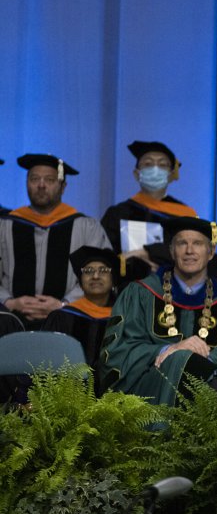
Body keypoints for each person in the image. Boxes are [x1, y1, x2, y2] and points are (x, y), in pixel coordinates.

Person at [100, 217, 217, 405]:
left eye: (197, 243)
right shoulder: (140, 295)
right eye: (182, 243)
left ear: (211, 252)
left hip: (210, 394)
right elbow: (117, 352)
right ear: (172, 251)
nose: (189, 250)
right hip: (148, 398)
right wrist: (168, 350)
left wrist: (200, 356)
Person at [0, 154, 111, 328]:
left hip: (70, 320)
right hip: (10, 321)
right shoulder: (5, 225)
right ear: (26, 183)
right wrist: (9, 302)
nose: (41, 185)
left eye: (50, 180)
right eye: (34, 179)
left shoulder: (86, 226)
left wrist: (64, 304)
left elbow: (103, 273)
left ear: (63, 186)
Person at [100, 141, 197, 285]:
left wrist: (146, 253)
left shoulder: (185, 215)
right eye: (148, 164)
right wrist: (126, 261)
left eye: (162, 165)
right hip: (126, 291)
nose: (155, 169)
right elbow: (102, 256)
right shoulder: (118, 213)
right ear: (136, 173)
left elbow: (193, 251)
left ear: (171, 174)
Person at [43, 246, 120, 389]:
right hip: (67, 394)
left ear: (113, 280)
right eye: (88, 271)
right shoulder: (62, 317)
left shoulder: (122, 319)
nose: (95, 276)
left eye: (103, 271)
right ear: (80, 281)